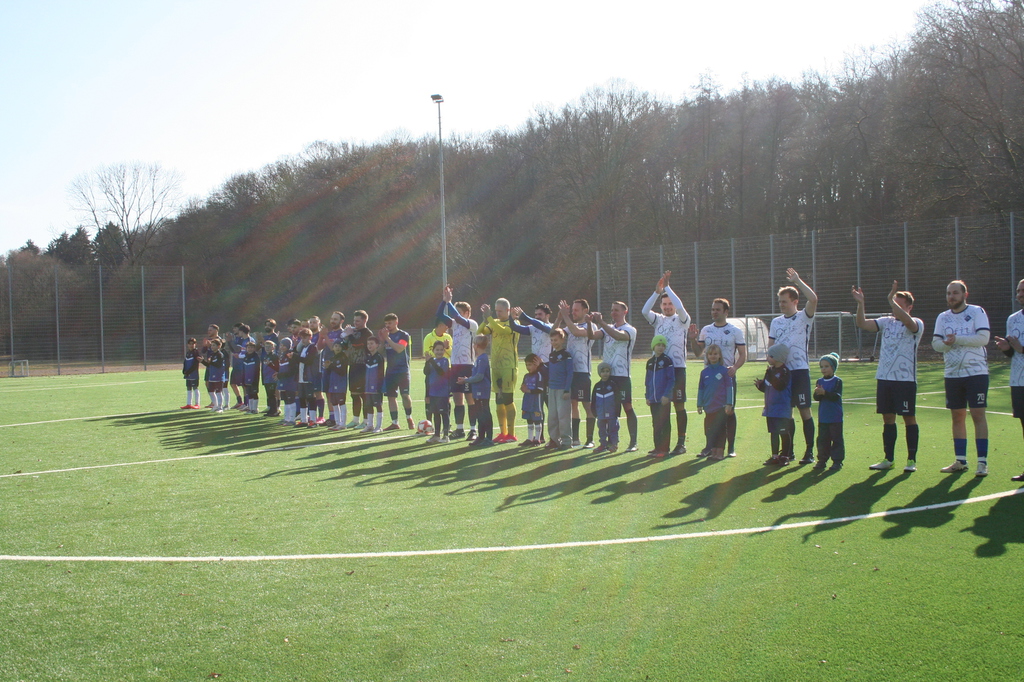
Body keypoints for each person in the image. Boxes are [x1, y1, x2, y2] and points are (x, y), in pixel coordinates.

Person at [852, 281, 924, 472]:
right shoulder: (886, 321)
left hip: (905, 380)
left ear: (909, 307)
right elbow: (862, 323)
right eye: (893, 304)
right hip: (884, 378)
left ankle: (911, 460)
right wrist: (860, 303)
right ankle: (888, 459)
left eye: (899, 305)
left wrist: (891, 301)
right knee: (888, 418)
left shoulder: (917, 323)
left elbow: (908, 323)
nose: (895, 308)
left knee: (908, 418)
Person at [932, 280, 990, 476]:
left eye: (955, 293)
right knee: (957, 416)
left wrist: (957, 339)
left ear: (965, 294)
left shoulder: (976, 312)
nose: (951, 297)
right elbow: (936, 344)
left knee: (977, 415)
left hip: (976, 373)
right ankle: (960, 461)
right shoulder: (943, 317)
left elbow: (983, 338)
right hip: (952, 374)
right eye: (949, 293)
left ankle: (982, 462)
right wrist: (947, 344)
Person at [768, 268, 819, 464]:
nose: (781, 304)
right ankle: (787, 452)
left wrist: (798, 281)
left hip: (799, 371)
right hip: (782, 373)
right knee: (786, 414)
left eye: (785, 301)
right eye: (780, 301)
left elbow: (813, 299)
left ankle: (809, 452)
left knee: (804, 411)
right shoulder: (776, 322)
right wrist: (772, 361)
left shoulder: (804, 317)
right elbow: (771, 348)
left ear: (795, 301)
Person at [642, 271, 692, 456]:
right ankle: (662, 445)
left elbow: (680, 307)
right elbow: (644, 311)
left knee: (679, 406)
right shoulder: (658, 320)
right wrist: (657, 292)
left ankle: (681, 443)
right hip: (660, 370)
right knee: (661, 409)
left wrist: (668, 288)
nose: (667, 306)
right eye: (664, 304)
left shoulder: (682, 320)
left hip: (677, 369)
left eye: (670, 303)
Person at [690, 297, 746, 457]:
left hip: (727, 377)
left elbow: (743, 355)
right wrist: (693, 339)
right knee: (710, 413)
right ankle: (709, 446)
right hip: (710, 379)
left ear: (726, 312)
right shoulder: (706, 330)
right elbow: (698, 352)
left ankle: (731, 447)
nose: (714, 312)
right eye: (713, 309)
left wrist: (734, 368)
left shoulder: (735, 331)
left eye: (718, 310)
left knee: (729, 411)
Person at [591, 302, 639, 452]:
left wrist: (601, 322)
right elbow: (592, 336)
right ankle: (608, 443)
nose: (613, 313)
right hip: (608, 377)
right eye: (612, 310)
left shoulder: (630, 329)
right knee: (608, 410)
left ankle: (633, 442)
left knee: (627, 407)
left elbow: (619, 336)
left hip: (622, 376)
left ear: (625, 311)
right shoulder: (606, 328)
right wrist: (589, 323)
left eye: (617, 310)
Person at [558, 298, 604, 448]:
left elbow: (577, 332)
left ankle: (590, 439)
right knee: (573, 404)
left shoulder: (591, 326)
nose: (573, 313)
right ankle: (575, 439)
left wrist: (565, 316)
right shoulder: (572, 325)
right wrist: (559, 318)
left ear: (585, 311)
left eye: (576, 310)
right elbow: (555, 333)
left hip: (582, 371)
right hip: (570, 371)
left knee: (586, 405)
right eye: (572, 310)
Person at [439, 287, 479, 439]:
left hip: (468, 366)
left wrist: (449, 302)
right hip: (455, 366)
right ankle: (460, 429)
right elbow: (439, 315)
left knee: (470, 398)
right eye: (457, 312)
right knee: (457, 398)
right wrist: (444, 302)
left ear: (467, 313)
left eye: (461, 312)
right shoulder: (454, 324)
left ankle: (473, 430)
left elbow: (458, 318)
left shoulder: (472, 324)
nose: (457, 315)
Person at [480, 298, 521, 443]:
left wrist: (489, 318)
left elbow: (502, 331)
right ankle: (503, 433)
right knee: (498, 401)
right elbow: (480, 332)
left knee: (508, 400)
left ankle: (512, 434)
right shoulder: (494, 322)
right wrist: (485, 319)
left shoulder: (514, 323)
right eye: (496, 311)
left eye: (500, 311)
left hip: (509, 367)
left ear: (508, 310)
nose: (497, 313)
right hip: (496, 366)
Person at [695, 344, 735, 462]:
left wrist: (729, 403)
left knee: (721, 430)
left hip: (721, 407)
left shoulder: (724, 371)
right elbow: (701, 389)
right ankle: (713, 451)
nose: (713, 356)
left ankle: (720, 452)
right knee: (710, 430)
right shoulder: (704, 372)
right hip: (708, 406)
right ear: (707, 356)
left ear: (720, 356)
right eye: (710, 354)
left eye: (715, 354)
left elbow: (729, 388)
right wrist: (699, 404)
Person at [755, 344, 793, 466]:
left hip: (781, 408)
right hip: (770, 408)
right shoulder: (770, 371)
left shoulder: (785, 371)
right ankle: (775, 456)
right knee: (773, 432)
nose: (768, 358)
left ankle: (785, 456)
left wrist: (771, 375)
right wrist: (760, 385)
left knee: (784, 432)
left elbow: (780, 386)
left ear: (778, 357)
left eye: (770, 356)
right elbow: (767, 387)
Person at [380, 313, 415, 431]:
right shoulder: (386, 336)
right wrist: (382, 340)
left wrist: (387, 338)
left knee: (405, 395)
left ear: (396, 322)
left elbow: (399, 349)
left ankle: (409, 417)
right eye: (386, 324)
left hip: (402, 370)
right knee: (391, 397)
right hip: (390, 371)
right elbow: (379, 351)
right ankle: (395, 422)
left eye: (390, 323)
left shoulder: (403, 335)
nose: (387, 326)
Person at [459, 335, 494, 446]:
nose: (473, 346)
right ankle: (481, 436)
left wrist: (466, 380)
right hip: (477, 390)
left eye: (474, 344)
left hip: (482, 390)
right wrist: (468, 379)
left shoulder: (482, 358)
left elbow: (480, 376)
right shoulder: (479, 358)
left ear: (477, 345)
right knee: (479, 413)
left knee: (485, 413)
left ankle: (488, 438)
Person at [341, 310, 374, 429]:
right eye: (354, 321)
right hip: (353, 365)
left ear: (365, 320)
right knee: (354, 394)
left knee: (364, 395)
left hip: (363, 366)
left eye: (358, 321)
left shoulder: (367, 333)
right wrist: (345, 336)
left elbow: (357, 344)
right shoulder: (353, 332)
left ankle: (366, 421)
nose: (355, 323)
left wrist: (350, 334)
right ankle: (355, 419)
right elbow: (345, 346)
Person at [813, 352, 844, 471]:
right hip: (823, 417)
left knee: (836, 439)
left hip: (835, 416)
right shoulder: (819, 381)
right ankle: (822, 460)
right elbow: (816, 398)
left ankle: (837, 461)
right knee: (822, 440)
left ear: (833, 367)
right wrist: (817, 393)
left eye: (826, 366)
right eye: (822, 367)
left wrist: (824, 393)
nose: (823, 369)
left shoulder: (837, 381)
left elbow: (836, 396)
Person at [645, 335, 675, 457]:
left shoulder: (667, 361)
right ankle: (657, 447)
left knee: (664, 423)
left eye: (663, 345)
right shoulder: (650, 362)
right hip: (653, 399)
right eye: (658, 345)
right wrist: (647, 396)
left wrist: (667, 395)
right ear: (653, 346)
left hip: (663, 399)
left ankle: (665, 449)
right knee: (656, 423)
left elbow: (671, 380)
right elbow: (647, 381)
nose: (660, 347)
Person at [546, 328, 573, 449]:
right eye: (552, 340)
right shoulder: (551, 355)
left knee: (563, 417)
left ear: (562, 340)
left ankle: (566, 441)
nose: (553, 342)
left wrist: (567, 389)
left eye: (556, 340)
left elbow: (570, 373)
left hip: (562, 389)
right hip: (552, 389)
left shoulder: (567, 355)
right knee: (552, 416)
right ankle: (554, 440)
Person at [424, 340, 452, 443]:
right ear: (433, 350)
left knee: (444, 413)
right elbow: (426, 373)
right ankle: (436, 435)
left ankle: (446, 436)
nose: (439, 352)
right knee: (435, 414)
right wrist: (427, 362)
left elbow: (441, 372)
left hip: (442, 393)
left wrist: (431, 361)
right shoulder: (432, 361)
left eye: (441, 350)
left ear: (444, 351)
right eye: (437, 350)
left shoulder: (445, 361)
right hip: (433, 393)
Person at [591, 361, 620, 453]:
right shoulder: (597, 386)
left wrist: (617, 411)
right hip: (600, 413)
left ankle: (614, 444)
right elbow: (593, 400)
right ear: (599, 373)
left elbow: (617, 399)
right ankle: (603, 444)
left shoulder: (613, 385)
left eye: (607, 371)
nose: (605, 374)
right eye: (603, 371)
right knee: (602, 430)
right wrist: (594, 412)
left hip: (611, 412)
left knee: (613, 429)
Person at [519, 353, 546, 446]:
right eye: (526, 365)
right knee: (529, 419)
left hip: (536, 402)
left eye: (530, 365)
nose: (528, 367)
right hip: (527, 401)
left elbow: (540, 389)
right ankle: (529, 438)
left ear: (536, 365)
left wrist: (528, 391)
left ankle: (537, 439)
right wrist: (523, 389)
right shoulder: (526, 376)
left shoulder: (539, 375)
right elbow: (524, 386)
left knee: (537, 420)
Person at [295, 327, 319, 428]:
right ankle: (304, 420)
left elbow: (309, 361)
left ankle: (313, 420)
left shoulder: (312, 347)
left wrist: (296, 357)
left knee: (311, 398)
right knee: (302, 398)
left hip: (309, 377)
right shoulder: (303, 348)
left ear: (310, 337)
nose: (303, 340)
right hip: (301, 377)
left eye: (305, 337)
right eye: (302, 338)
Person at [361, 336, 385, 433]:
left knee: (378, 405)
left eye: (372, 344)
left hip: (376, 386)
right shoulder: (367, 358)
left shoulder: (379, 357)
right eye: (368, 344)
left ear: (377, 345)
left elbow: (381, 373)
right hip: (367, 386)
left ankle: (379, 426)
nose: (369, 346)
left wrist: (379, 385)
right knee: (368, 405)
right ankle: (370, 425)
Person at [325, 340, 350, 432]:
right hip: (333, 383)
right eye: (336, 346)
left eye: (339, 346)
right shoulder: (332, 358)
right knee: (334, 403)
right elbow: (329, 371)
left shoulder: (343, 358)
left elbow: (342, 371)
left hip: (340, 384)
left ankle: (343, 424)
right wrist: (327, 367)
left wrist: (331, 366)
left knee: (341, 403)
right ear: (333, 347)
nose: (337, 348)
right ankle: (337, 422)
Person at [200, 338, 227, 412]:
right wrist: (202, 361)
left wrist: (210, 362)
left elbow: (218, 365)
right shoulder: (212, 355)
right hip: (212, 375)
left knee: (219, 392)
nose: (212, 347)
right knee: (211, 391)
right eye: (211, 345)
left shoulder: (220, 355)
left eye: (214, 345)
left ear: (219, 346)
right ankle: (215, 406)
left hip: (218, 376)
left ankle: (220, 407)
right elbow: (209, 365)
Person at [276, 338, 298, 425]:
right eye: (281, 345)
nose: (282, 347)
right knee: (285, 399)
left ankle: (292, 419)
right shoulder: (282, 356)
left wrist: (280, 375)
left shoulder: (290, 355)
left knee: (291, 399)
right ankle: (286, 418)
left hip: (290, 381)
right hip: (283, 380)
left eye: (284, 345)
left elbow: (292, 370)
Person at [261, 339, 280, 417]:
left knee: (272, 394)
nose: (267, 348)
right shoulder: (265, 356)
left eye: (269, 347)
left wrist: (271, 365)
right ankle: (271, 410)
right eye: (266, 347)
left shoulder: (274, 356)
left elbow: (277, 367)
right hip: (267, 378)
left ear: (273, 348)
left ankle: (275, 410)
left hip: (272, 378)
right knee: (269, 395)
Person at [241, 340, 261, 413]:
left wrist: (255, 378)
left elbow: (257, 369)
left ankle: (255, 409)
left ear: (254, 348)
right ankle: (250, 408)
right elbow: (243, 369)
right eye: (249, 347)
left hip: (254, 378)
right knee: (249, 393)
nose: (250, 349)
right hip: (246, 378)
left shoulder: (256, 357)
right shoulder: (245, 357)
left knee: (254, 393)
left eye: (252, 347)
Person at [181, 337, 201, 409]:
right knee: (188, 388)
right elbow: (185, 362)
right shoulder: (188, 353)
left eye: (193, 344)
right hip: (188, 374)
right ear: (187, 345)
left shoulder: (196, 352)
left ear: (195, 344)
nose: (191, 345)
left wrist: (189, 371)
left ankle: (197, 404)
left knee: (195, 387)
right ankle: (189, 404)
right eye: (190, 344)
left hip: (193, 374)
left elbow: (195, 364)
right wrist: (184, 370)